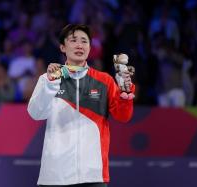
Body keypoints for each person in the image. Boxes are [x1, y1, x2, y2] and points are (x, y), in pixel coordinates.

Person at [27, 24, 135, 187]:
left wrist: (125, 96)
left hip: (93, 175)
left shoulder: (104, 81)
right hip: (55, 175)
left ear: (90, 48)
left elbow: (123, 116)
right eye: (73, 40)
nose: (79, 45)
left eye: (84, 41)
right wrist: (51, 83)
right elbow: (36, 113)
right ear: (63, 47)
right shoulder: (49, 78)